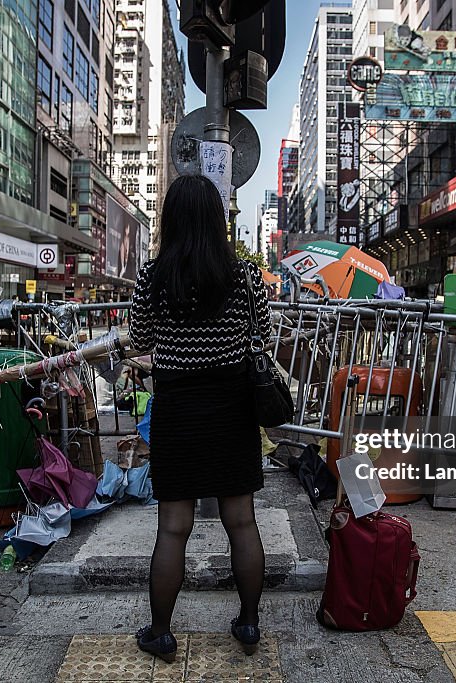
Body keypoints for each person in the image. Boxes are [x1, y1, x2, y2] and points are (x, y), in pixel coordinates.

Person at [129, 174, 270, 663]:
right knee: (241, 521)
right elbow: (263, 335)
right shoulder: (246, 276)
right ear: (218, 221)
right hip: (232, 407)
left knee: (173, 527)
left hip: (178, 409)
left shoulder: (154, 277)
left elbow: (141, 339)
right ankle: (249, 624)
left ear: (171, 221)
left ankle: (161, 633)